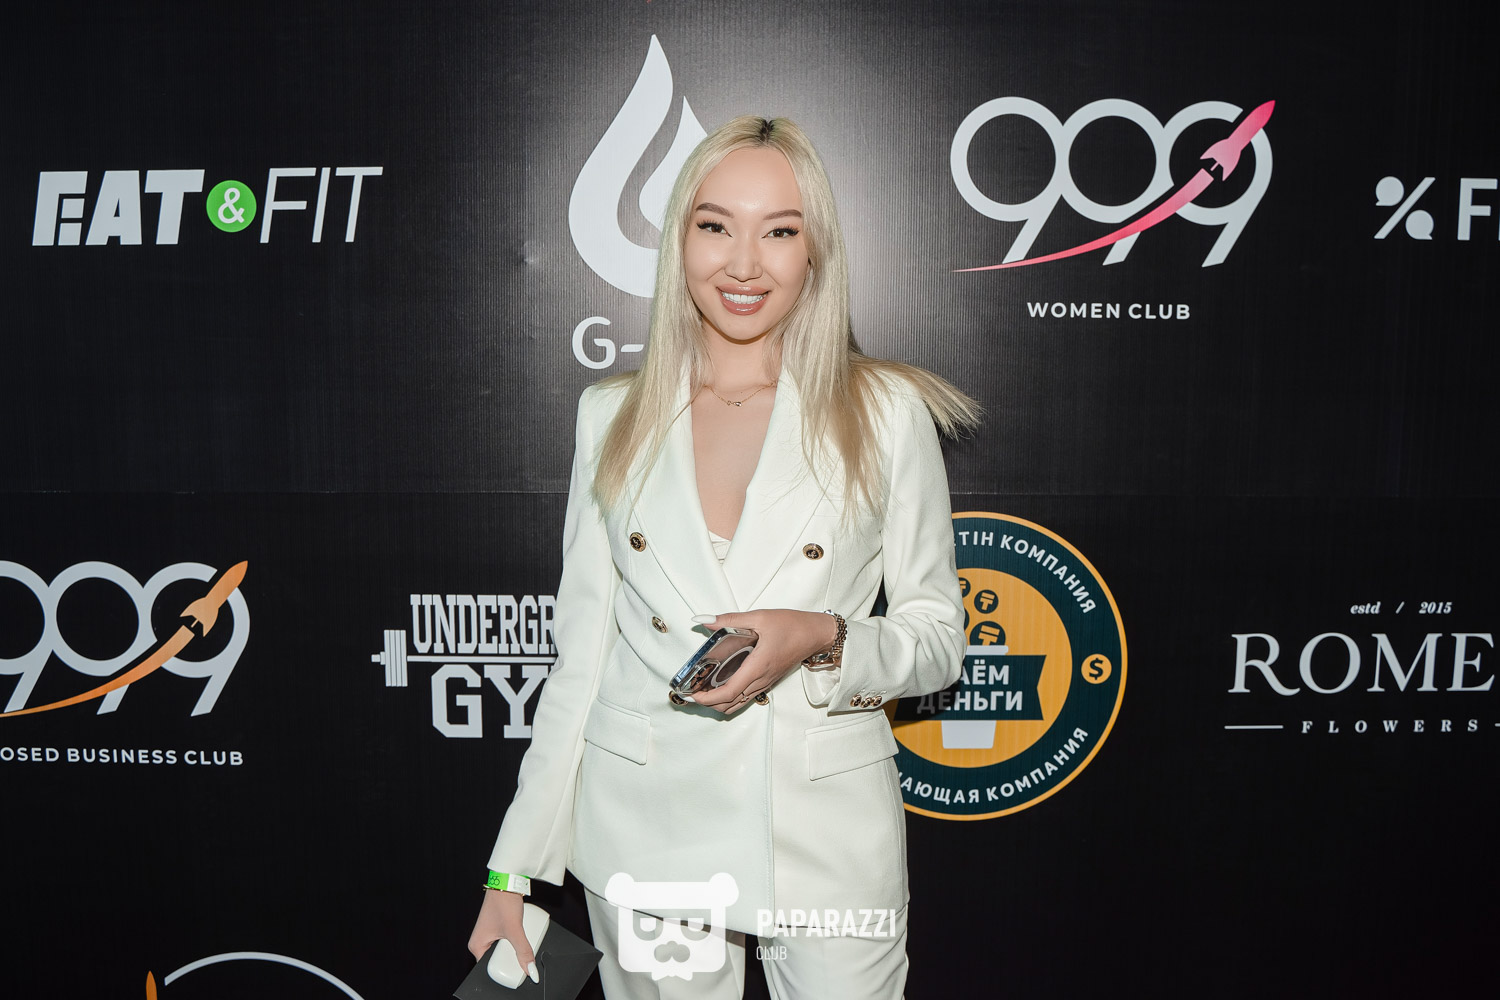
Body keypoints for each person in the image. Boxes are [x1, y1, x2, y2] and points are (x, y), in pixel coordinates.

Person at [468, 115, 979, 999]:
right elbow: (581, 664)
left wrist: (821, 636)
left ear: (815, 253)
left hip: (824, 829)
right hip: (645, 825)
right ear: (679, 240)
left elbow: (937, 640)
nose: (744, 264)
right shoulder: (610, 416)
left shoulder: (887, 412)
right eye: (716, 226)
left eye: (779, 231)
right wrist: (511, 870)